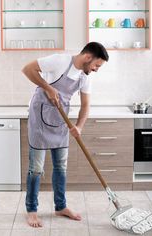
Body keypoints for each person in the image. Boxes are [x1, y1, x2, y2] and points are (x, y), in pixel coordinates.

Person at [22, 42, 109, 227]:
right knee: (36, 168)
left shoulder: (85, 76)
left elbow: (86, 105)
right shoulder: (58, 60)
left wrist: (79, 126)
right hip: (39, 119)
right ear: (88, 57)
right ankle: (31, 210)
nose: (96, 70)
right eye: (96, 65)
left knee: (61, 166)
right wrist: (48, 87)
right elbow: (27, 69)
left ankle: (60, 206)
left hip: (61, 122)